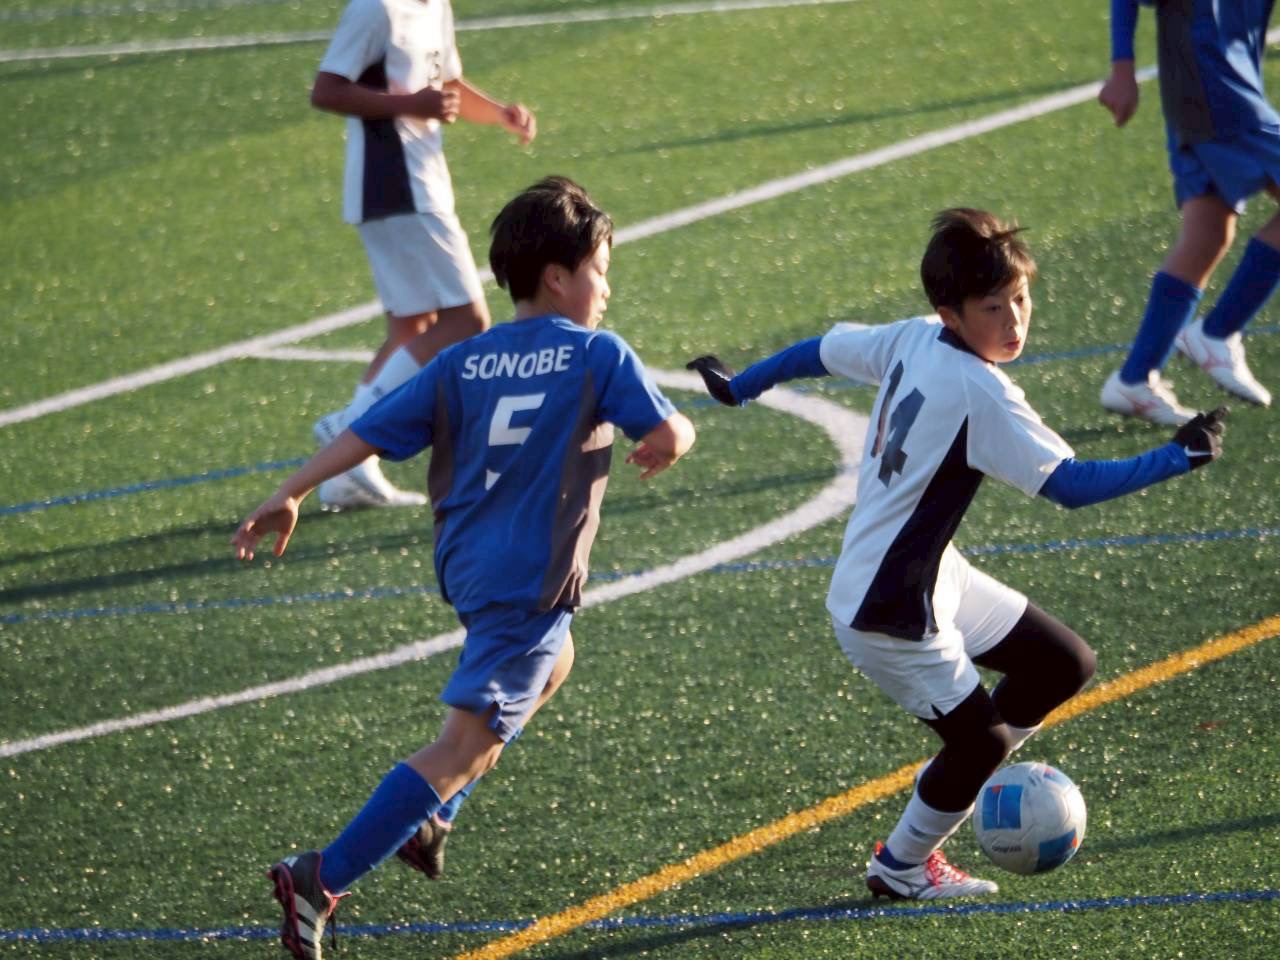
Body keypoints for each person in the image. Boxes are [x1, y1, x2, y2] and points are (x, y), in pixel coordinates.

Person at [687, 209, 1227, 899]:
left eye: (1020, 299)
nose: (1014, 321)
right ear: (952, 313)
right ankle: (903, 865)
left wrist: (742, 386)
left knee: (1062, 663)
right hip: (889, 609)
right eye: (992, 308)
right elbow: (1069, 486)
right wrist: (1178, 457)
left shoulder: (914, 336)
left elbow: (819, 351)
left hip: (926, 576)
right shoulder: (981, 390)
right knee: (982, 744)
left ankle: (952, 782)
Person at [233, 176, 695, 959]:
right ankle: (322, 876)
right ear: (559, 276)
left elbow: (366, 431)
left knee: (555, 661)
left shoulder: (464, 360)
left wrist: (291, 491)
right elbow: (667, 428)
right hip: (528, 579)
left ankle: (434, 818)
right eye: (600, 270)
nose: (607, 288)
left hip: (469, 567)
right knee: (463, 747)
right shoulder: (597, 354)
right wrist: (674, 440)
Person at [309, 0, 538, 508]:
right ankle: (351, 426)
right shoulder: (376, 9)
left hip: (419, 182)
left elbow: (445, 86)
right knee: (467, 320)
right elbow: (326, 89)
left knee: (412, 329)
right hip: (395, 184)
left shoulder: (436, 6)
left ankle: (345, 474)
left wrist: (499, 113)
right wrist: (411, 104)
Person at [1098, 0, 1276, 425]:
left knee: (1208, 234)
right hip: (1215, 85)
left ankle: (1135, 379)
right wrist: (1122, 68)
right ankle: (1218, 332)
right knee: (1207, 234)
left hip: (1217, 82)